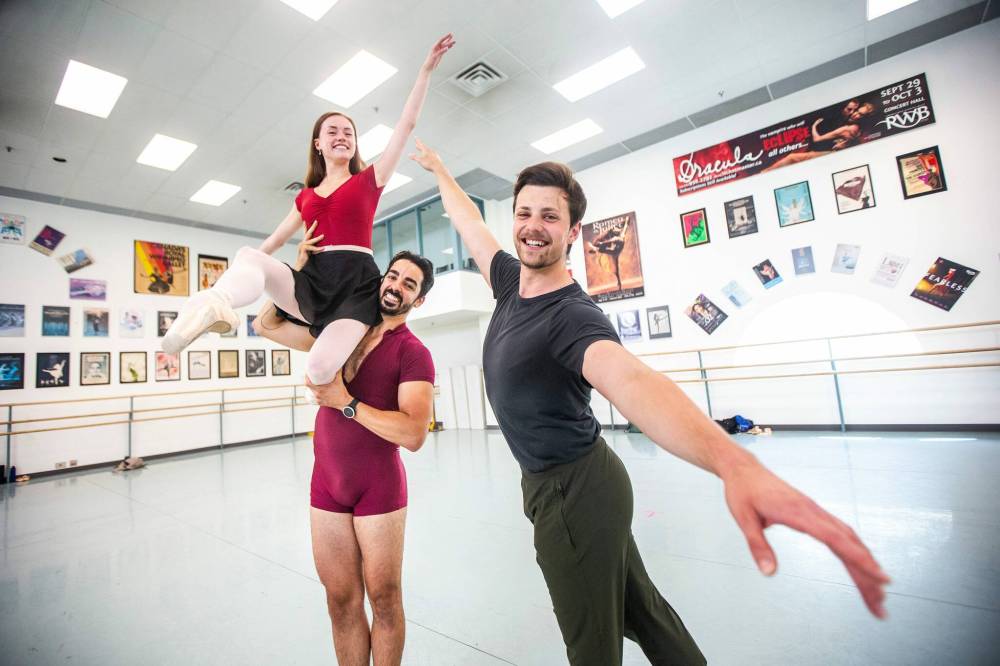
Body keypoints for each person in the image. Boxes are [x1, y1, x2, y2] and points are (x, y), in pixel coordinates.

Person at [410, 140, 889, 665]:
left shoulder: (572, 316)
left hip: (573, 492)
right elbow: (469, 223)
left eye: (549, 216)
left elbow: (633, 381)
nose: (532, 226)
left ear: (572, 232)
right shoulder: (508, 282)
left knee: (592, 646)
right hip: (575, 484)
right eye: (524, 213)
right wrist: (440, 168)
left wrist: (733, 463)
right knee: (642, 613)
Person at [161, 34, 454, 393]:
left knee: (317, 369)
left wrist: (425, 71)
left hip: (355, 283)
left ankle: (341, 362)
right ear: (318, 143)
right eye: (332, 131)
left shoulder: (369, 180)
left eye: (348, 132)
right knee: (249, 255)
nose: (342, 136)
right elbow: (273, 242)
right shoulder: (305, 197)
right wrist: (236, 274)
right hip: (313, 279)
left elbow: (405, 125)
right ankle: (214, 304)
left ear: (355, 143)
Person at [293, 250, 436, 665]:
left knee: (385, 598)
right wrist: (301, 269)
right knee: (340, 599)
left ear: (418, 300)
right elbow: (268, 324)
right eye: (393, 276)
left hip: (378, 487)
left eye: (409, 284)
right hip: (326, 484)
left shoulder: (413, 352)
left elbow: (414, 434)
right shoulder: (345, 332)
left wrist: (346, 402)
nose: (396, 286)